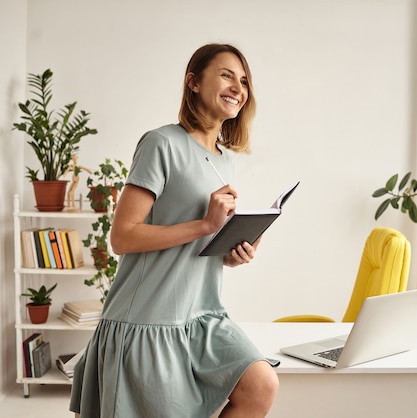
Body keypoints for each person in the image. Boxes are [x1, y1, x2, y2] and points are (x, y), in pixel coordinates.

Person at [69, 44, 279, 418]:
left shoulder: (224, 160)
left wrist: (231, 251)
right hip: (150, 317)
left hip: (203, 314)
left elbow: (196, 243)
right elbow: (123, 236)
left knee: (261, 384)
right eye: (227, 75)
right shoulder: (160, 143)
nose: (239, 87)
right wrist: (205, 225)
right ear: (193, 82)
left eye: (244, 80)